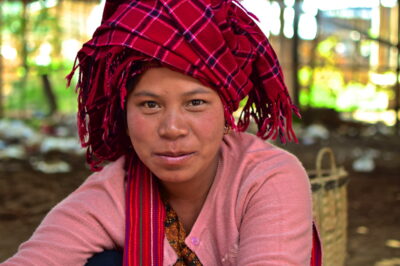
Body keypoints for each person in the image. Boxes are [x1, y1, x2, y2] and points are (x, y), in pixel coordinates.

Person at [1, 0, 321, 265]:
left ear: (226, 115)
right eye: (150, 105)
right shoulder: (113, 192)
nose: (172, 129)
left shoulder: (267, 179)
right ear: (124, 113)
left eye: (195, 102)